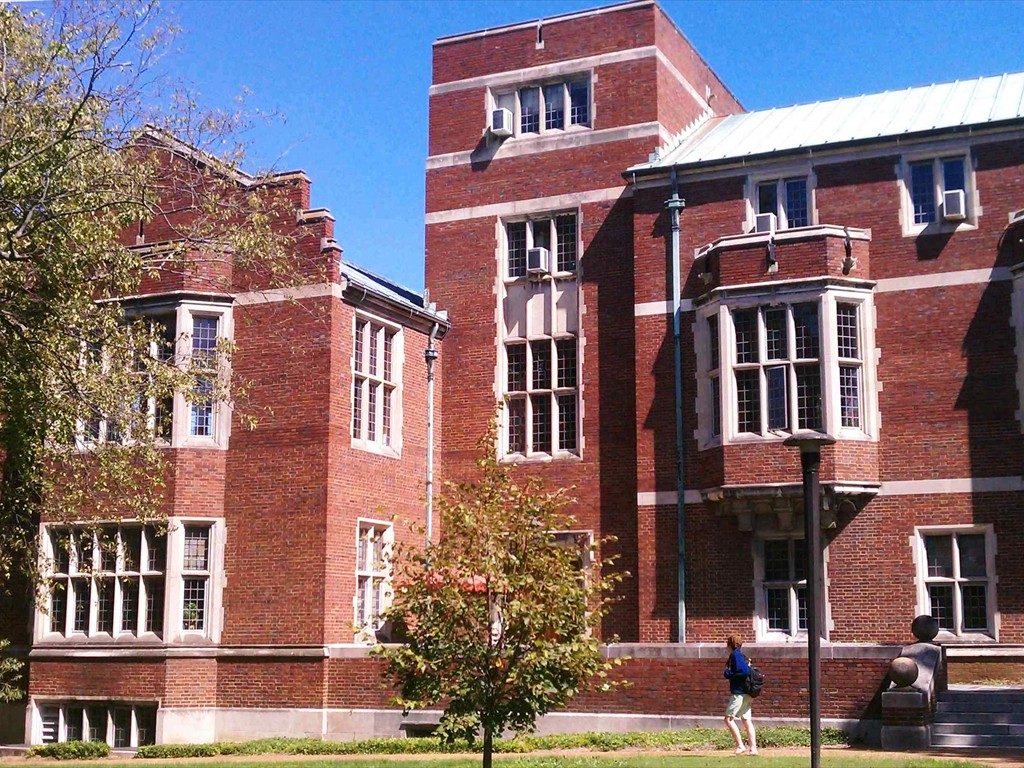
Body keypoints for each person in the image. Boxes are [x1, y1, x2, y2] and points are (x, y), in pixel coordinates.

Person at [723, 634, 758, 756]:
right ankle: (753, 748)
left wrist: (729, 673)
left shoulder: (735, 655)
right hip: (747, 693)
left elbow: (744, 671)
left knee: (728, 719)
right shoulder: (742, 655)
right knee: (746, 720)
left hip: (739, 693)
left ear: (730, 644)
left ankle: (740, 745)